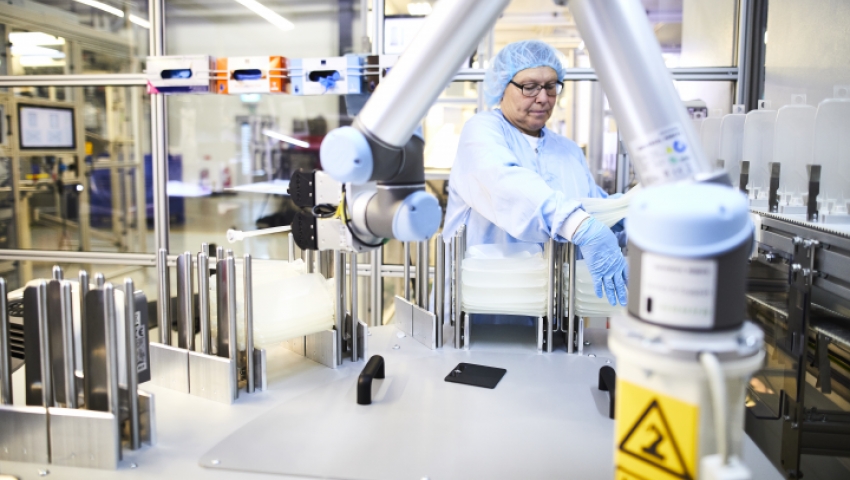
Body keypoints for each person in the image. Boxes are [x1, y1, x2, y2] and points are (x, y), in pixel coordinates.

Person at [443, 40, 628, 323]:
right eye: (529, 87)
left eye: (551, 86)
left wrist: (630, 217)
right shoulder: (482, 132)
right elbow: (506, 185)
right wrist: (581, 227)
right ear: (502, 87)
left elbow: (595, 209)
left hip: (557, 319)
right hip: (485, 316)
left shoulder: (568, 150)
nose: (543, 98)